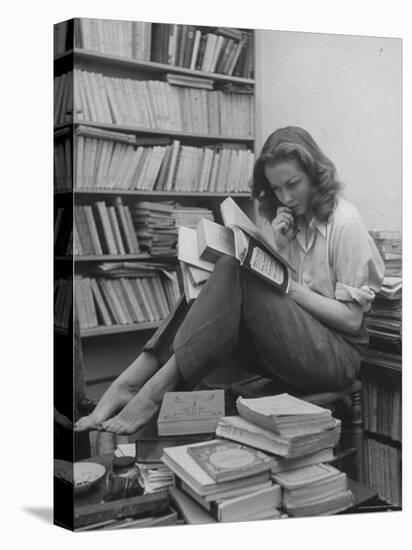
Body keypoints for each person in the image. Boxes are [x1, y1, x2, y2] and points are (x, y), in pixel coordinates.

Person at [75, 126, 385, 436]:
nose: (286, 198)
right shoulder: (295, 220)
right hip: (297, 347)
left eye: (293, 184)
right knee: (219, 273)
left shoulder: (345, 223)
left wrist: (290, 287)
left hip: (335, 360)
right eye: (276, 189)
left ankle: (148, 390)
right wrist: (281, 245)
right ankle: (129, 383)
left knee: (236, 270)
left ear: (316, 173)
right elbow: (287, 304)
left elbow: (351, 318)